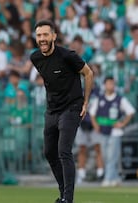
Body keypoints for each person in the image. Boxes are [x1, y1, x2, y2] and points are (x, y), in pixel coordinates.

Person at [30, 20, 94, 203]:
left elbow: (88, 73)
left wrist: (86, 102)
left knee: (63, 150)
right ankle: (63, 193)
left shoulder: (67, 56)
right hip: (52, 110)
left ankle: (68, 199)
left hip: (72, 107)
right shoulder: (35, 58)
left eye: (45, 35)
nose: (42, 38)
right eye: (39, 35)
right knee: (49, 152)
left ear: (54, 36)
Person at [90, 76, 136, 187]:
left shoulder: (120, 99)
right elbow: (92, 113)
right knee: (105, 155)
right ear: (105, 85)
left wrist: (123, 123)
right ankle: (115, 178)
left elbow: (130, 112)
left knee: (112, 156)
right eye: (109, 83)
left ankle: (108, 178)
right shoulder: (99, 99)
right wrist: (95, 125)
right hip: (103, 131)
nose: (111, 86)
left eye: (112, 83)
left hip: (115, 132)